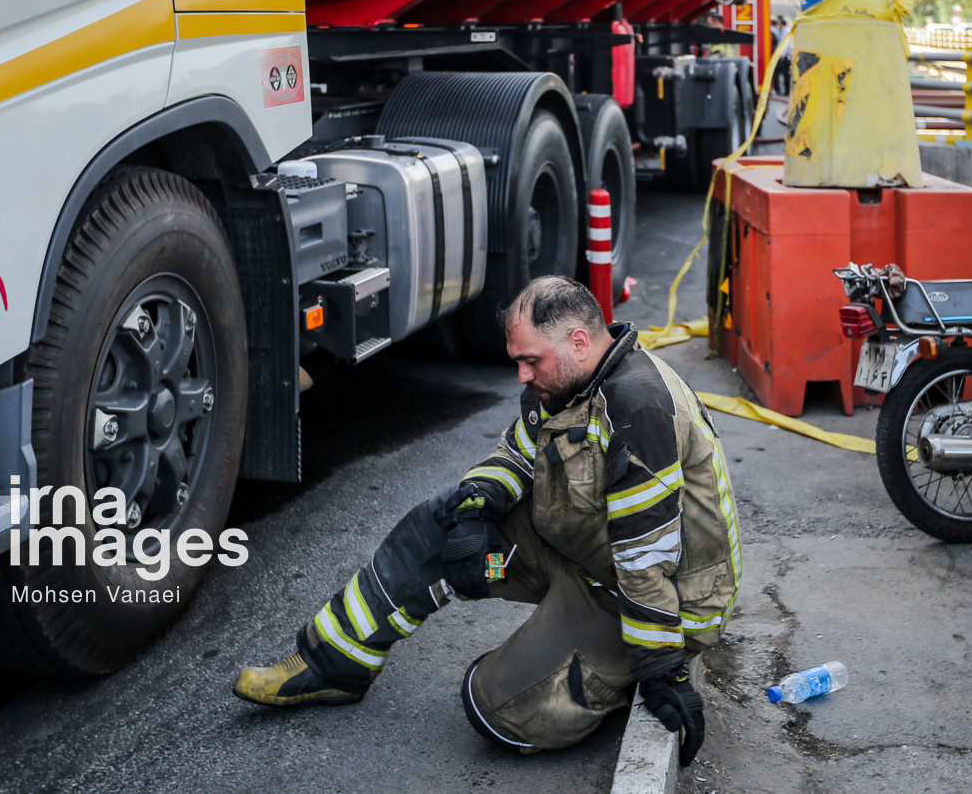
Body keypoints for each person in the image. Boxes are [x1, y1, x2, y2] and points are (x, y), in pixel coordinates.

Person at [233, 276, 741, 767]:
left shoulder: (638, 405)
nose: (521, 375)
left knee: (494, 709)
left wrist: (661, 671)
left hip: (657, 600)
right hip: (586, 557)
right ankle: (333, 664)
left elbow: (645, 559)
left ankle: (609, 668)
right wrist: (477, 505)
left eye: (529, 361)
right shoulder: (564, 380)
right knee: (446, 527)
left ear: (579, 342)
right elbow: (519, 452)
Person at [772, 16, 793, 96]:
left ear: (781, 24)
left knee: (784, 73)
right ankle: (785, 90)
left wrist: (783, 54)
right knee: (785, 73)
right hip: (786, 55)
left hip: (786, 56)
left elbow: (786, 44)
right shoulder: (784, 31)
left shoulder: (786, 31)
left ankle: (786, 91)